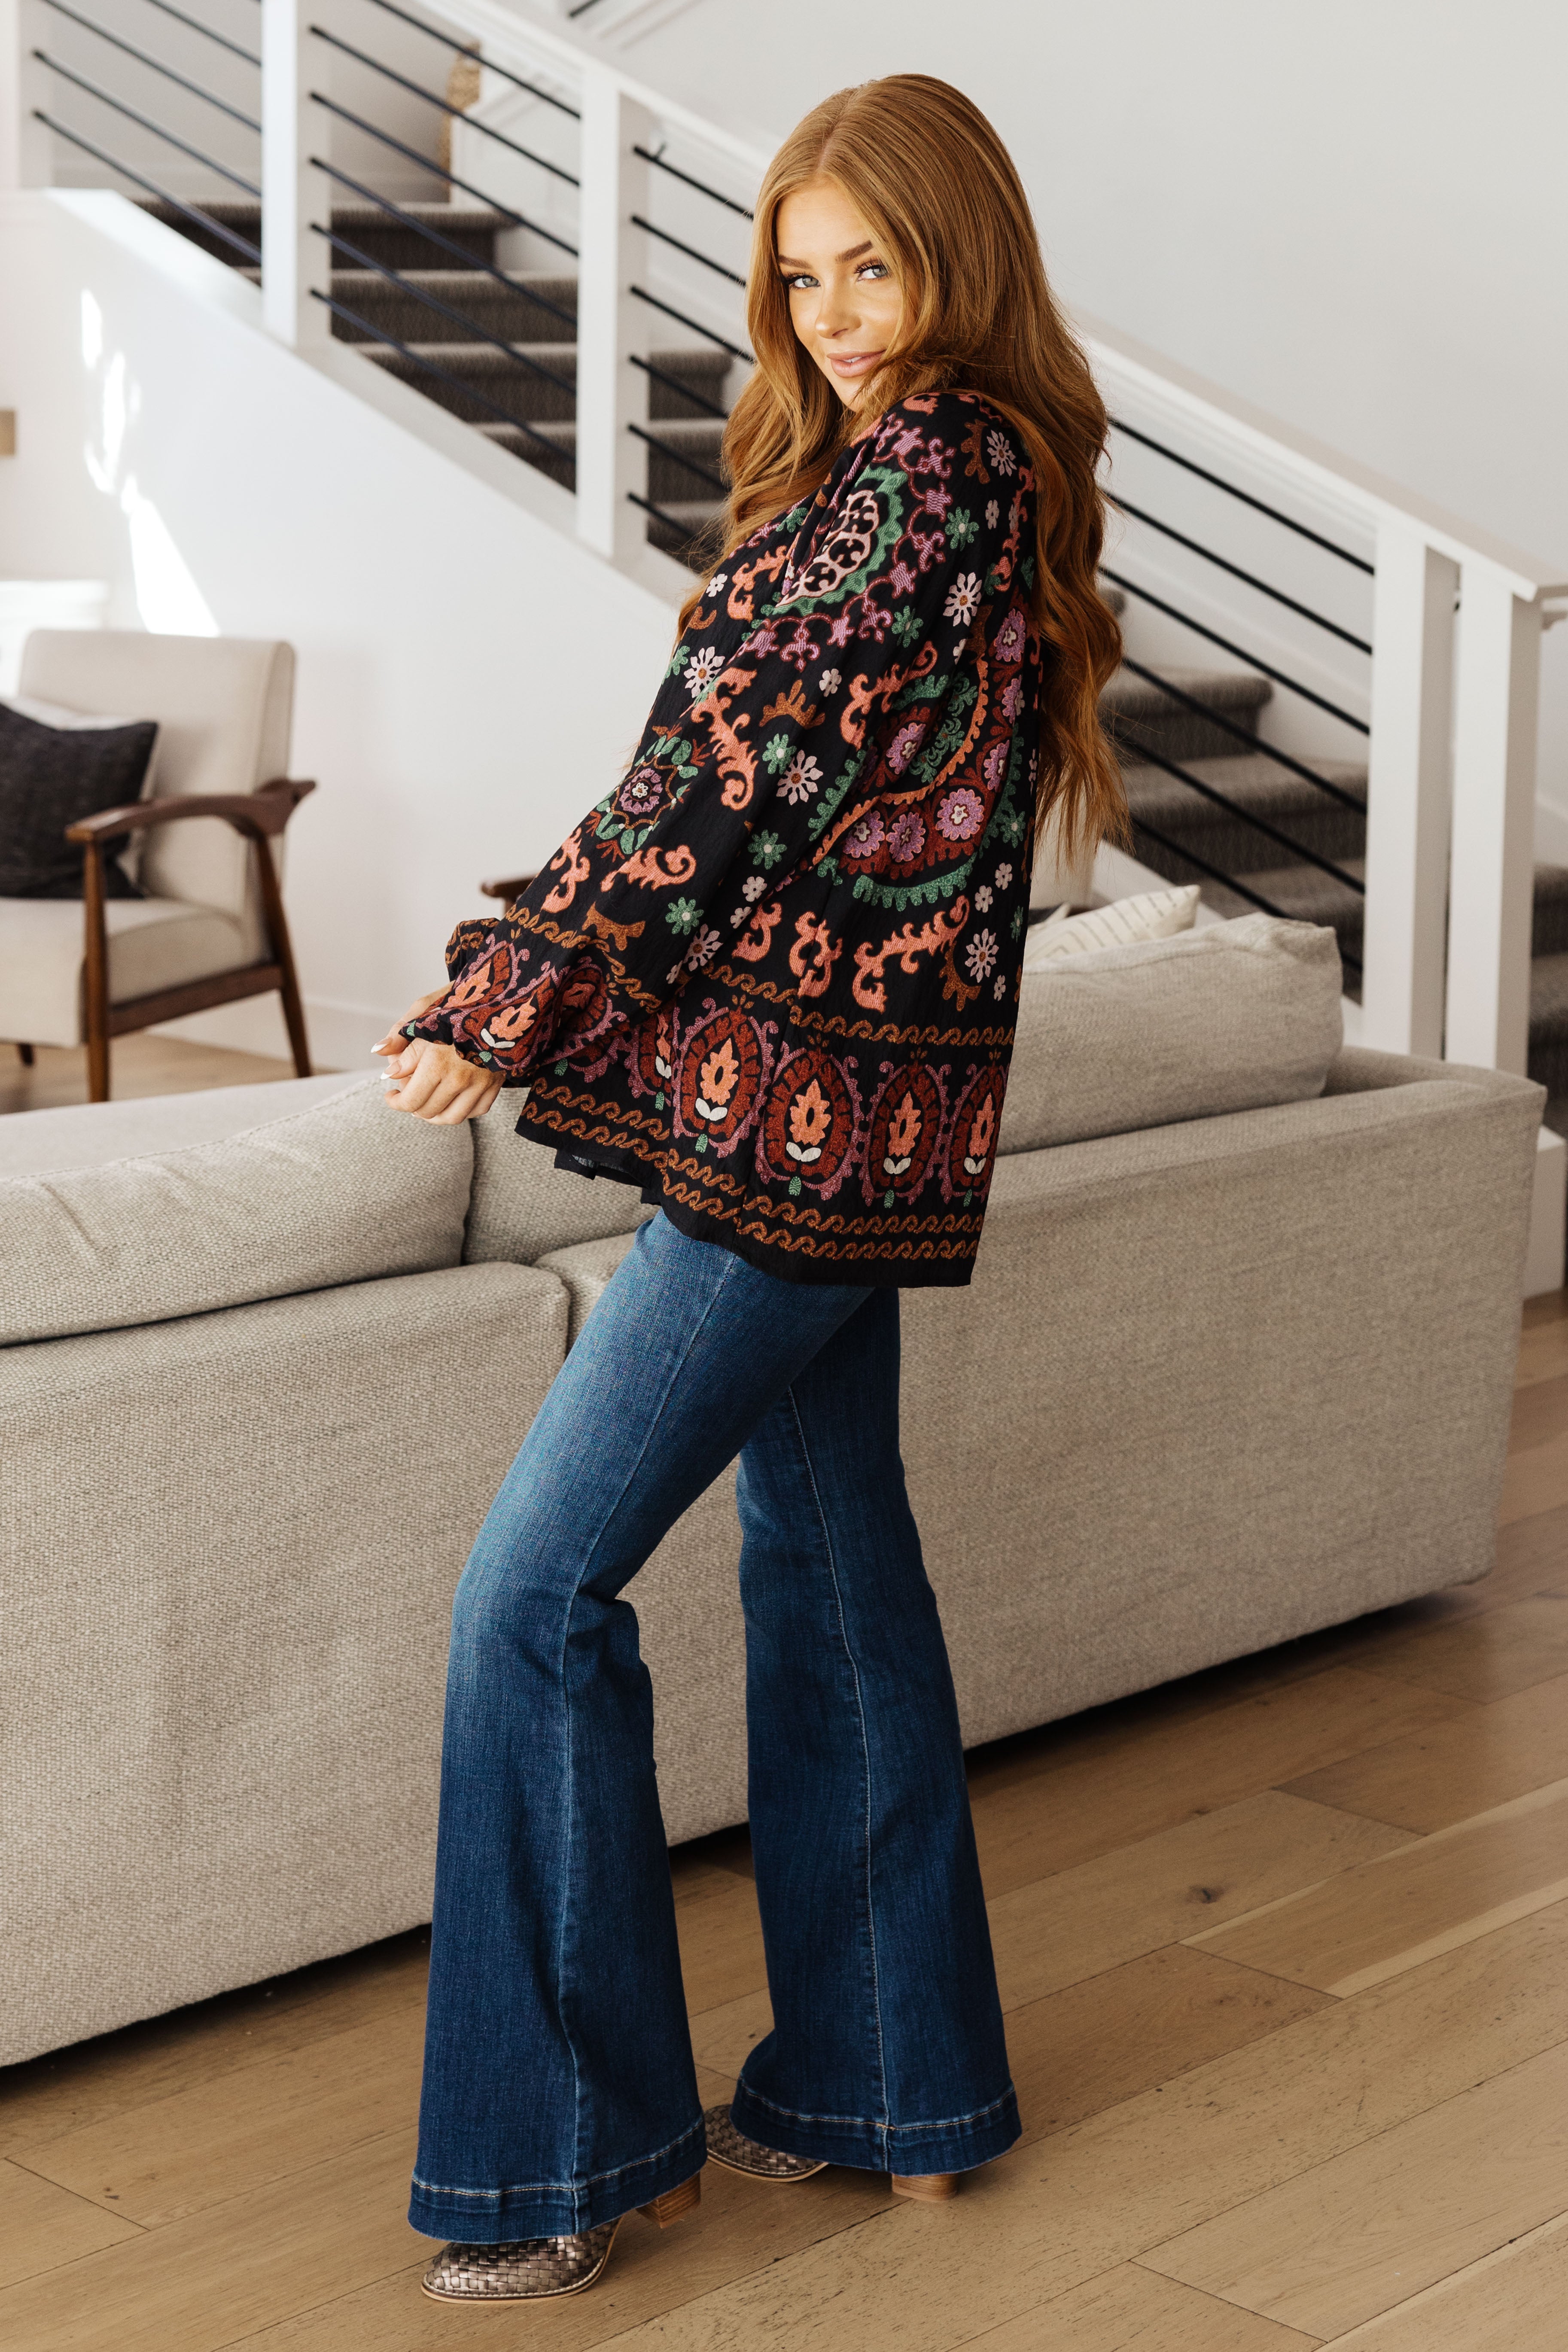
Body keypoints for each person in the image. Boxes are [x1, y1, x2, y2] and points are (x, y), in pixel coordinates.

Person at [373, 71, 1124, 2306]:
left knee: (529, 1595)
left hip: (787, 1132)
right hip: (861, 1128)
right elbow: (770, 780)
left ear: (959, 252)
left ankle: (566, 2158)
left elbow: (731, 777)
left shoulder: (930, 480)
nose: (839, 317)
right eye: (802, 281)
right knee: (831, 1567)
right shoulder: (968, 473)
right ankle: (892, 2091)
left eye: (873, 267)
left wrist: (512, 988)